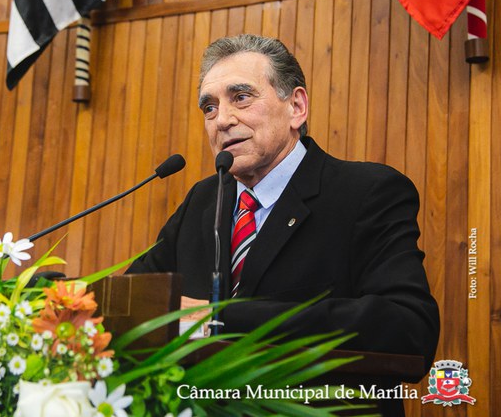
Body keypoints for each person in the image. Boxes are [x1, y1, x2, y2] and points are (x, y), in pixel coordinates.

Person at [127, 34, 440, 378]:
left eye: (241, 97)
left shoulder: (367, 192)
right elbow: (132, 304)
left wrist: (217, 320)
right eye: (209, 108)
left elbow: (409, 329)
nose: (221, 120)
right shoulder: (203, 200)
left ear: (296, 107)